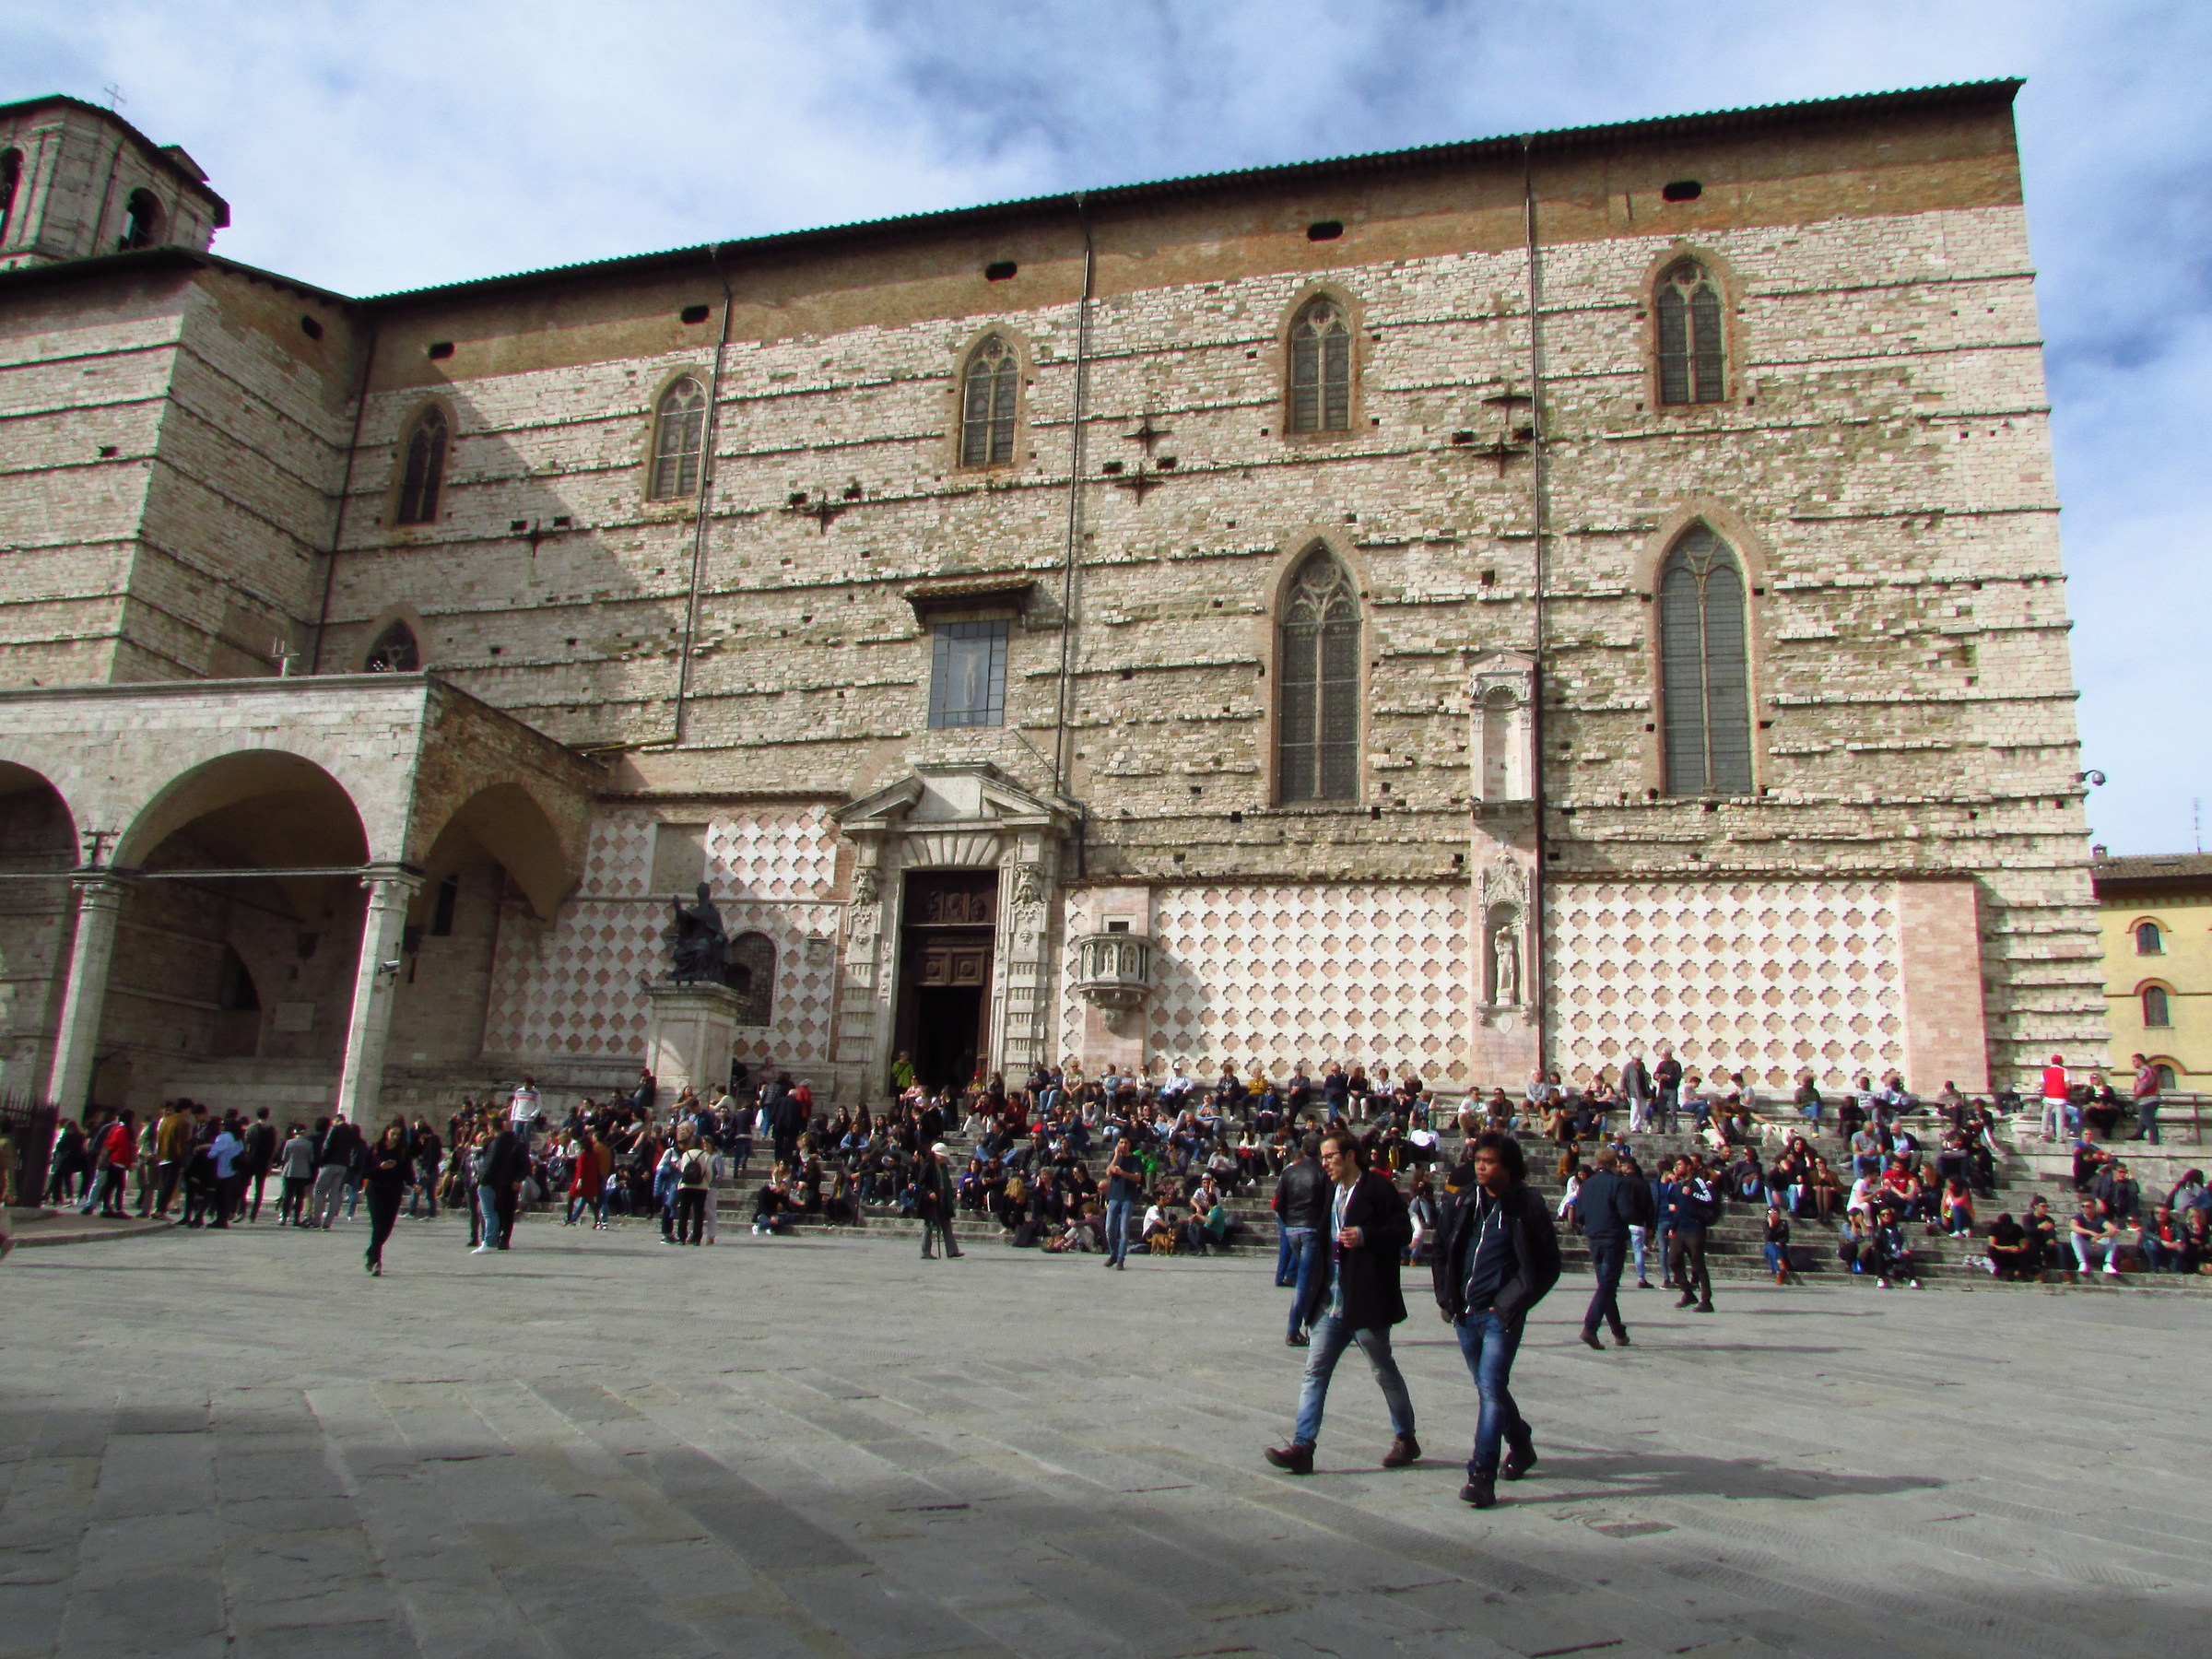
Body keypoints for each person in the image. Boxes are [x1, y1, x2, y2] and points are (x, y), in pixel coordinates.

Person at [1264, 1128, 1418, 1477]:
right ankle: (1303, 1446)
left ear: (1350, 1156)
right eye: (1323, 1158)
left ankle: (1406, 1437)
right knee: (1314, 1373)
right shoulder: (1331, 1191)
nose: (1326, 1164)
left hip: (1366, 1299)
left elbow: (1403, 1232)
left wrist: (1366, 1236)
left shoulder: (1378, 1187)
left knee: (1383, 1371)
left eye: (1331, 1157)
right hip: (1331, 1302)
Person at [1430, 1131, 1561, 1509]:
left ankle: (1481, 1474)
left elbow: (1548, 1264)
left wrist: (1512, 1303)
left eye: (1488, 1162)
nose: (1481, 1167)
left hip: (1498, 1315)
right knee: (1491, 1388)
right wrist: (1446, 1295)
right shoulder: (1463, 1201)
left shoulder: (1526, 1205)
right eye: (1478, 1161)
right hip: (1465, 1313)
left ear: (1508, 1166)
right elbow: (1441, 1247)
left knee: (1489, 1388)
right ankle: (1520, 1444)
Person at [1571, 1144, 1638, 1350]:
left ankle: (1619, 1332)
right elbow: (1625, 1212)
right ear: (1614, 1163)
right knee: (1608, 1286)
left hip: (1594, 1237)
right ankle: (1590, 1328)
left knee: (1606, 1286)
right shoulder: (1618, 1183)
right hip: (1612, 1238)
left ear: (1597, 1163)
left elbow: (1580, 1213)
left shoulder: (1587, 1184)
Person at [1272, 1133, 1329, 1344]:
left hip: (1292, 1229)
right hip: (1311, 1229)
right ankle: (1293, 1329)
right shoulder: (1322, 1173)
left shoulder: (1290, 1172)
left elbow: (1279, 1204)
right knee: (1306, 1281)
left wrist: (1290, 1223)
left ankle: (1315, 1322)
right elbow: (1327, 1206)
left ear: (1303, 1150)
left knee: (1311, 1279)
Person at [1665, 1158, 1717, 1312]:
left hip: (1695, 1228)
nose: (1676, 1167)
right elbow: (1675, 1209)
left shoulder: (1697, 1183)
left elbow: (1709, 1198)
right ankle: (1688, 1293)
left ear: (1688, 1167)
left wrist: (1692, 1194)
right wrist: (1672, 1227)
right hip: (1680, 1229)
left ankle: (1706, 1300)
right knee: (1673, 1261)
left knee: (1698, 1263)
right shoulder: (1676, 1187)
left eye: (1680, 1164)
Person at [362, 1122, 408, 1277]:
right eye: (393, 1133)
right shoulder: (375, 1149)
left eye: (398, 1134)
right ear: (386, 1132)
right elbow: (364, 1172)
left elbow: (407, 1171)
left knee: (387, 1228)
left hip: (394, 1192)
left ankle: (371, 1251)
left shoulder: (402, 1151)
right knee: (378, 1226)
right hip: (376, 1191)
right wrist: (380, 1168)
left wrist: (414, 1184)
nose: (395, 1137)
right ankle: (376, 1261)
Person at [1102, 1135, 1145, 1271]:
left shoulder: (1135, 1159)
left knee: (1123, 1230)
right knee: (1109, 1228)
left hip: (1128, 1197)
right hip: (1114, 1196)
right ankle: (1113, 1253)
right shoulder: (1114, 1158)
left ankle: (1120, 1259)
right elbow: (1108, 1172)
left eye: (1126, 1142)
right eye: (1121, 1142)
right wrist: (1116, 1157)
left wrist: (1123, 1173)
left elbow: (1137, 1177)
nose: (1123, 1145)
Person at [916, 1140, 961, 1259]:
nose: (944, 1159)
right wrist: (929, 1192)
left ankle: (952, 1250)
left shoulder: (943, 1167)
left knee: (946, 1223)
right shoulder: (929, 1167)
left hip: (942, 1198)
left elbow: (946, 1182)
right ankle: (925, 1251)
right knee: (929, 1225)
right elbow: (921, 1183)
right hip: (931, 1200)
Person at [2132, 1053, 2162, 1146]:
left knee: (2148, 1119)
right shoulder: (2151, 1069)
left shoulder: (2144, 1071)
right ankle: (2139, 1134)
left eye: (2134, 1061)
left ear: (2140, 1060)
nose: (2133, 1063)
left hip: (2148, 1098)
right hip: (2153, 1098)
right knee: (2144, 1118)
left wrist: (2136, 1096)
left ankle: (2154, 1140)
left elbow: (2143, 1084)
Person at [2040, 1053, 2070, 1143]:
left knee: (2045, 1116)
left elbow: (2042, 1085)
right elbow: (2067, 1085)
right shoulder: (2064, 1070)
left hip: (2049, 1097)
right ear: (2061, 1062)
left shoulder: (2045, 1071)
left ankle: (2044, 1133)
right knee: (2060, 1118)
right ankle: (2060, 1137)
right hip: (2060, 1098)